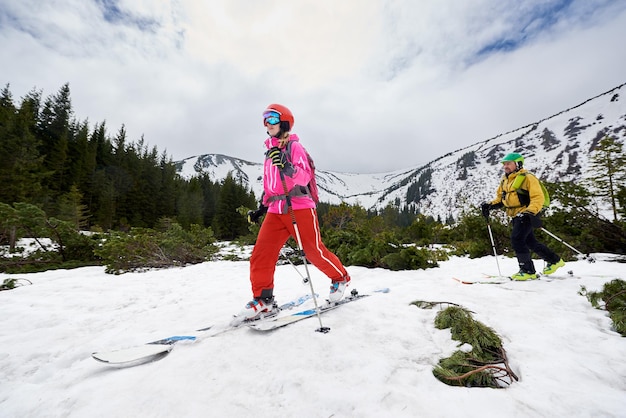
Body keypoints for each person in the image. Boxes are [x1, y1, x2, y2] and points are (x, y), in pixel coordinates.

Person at [239, 103, 351, 320]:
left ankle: (340, 278)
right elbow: (271, 183)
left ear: (284, 122)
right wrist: (262, 206)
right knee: (261, 255)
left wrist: (287, 167)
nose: (267, 123)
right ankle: (264, 300)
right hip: (275, 209)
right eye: (264, 119)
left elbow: (303, 176)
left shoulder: (294, 147)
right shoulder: (270, 151)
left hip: (298, 207)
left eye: (272, 118)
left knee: (313, 251)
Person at [481, 153, 564, 280]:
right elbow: (501, 198)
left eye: (508, 163)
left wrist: (530, 212)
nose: (505, 166)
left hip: (526, 214)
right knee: (529, 241)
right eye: (504, 164)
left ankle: (527, 270)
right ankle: (554, 260)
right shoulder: (505, 180)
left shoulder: (527, 178)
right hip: (515, 215)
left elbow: (538, 197)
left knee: (517, 239)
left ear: (518, 163)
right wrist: (489, 205)